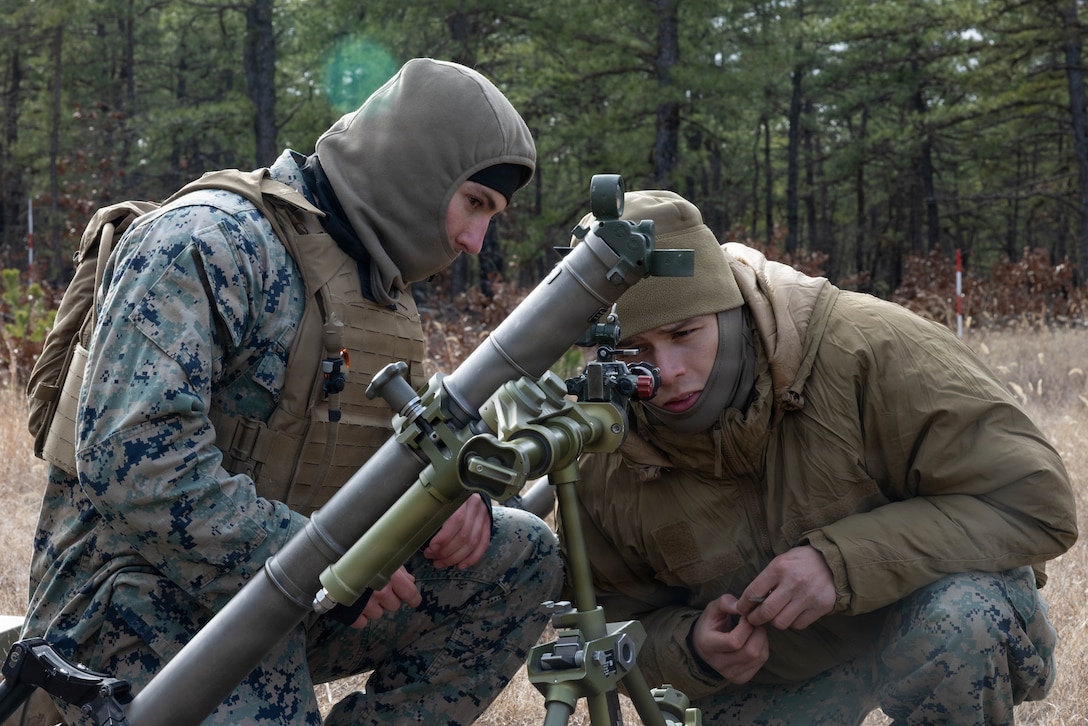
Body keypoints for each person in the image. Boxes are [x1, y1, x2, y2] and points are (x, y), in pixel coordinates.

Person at [23, 58, 562, 725]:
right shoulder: (209, 241)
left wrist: (454, 495)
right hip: (127, 603)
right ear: (419, 170)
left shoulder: (377, 288)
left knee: (522, 555)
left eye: (493, 215)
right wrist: (331, 561)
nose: (476, 241)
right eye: (475, 203)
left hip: (285, 589)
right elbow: (137, 470)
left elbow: (387, 460)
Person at [560, 189, 1078, 724]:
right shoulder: (606, 443)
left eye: (684, 333)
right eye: (635, 350)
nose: (665, 370)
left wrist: (840, 562)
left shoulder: (869, 346)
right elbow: (609, 619)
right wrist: (690, 647)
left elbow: (1037, 503)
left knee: (962, 621)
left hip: (930, 616)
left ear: (728, 308)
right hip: (782, 678)